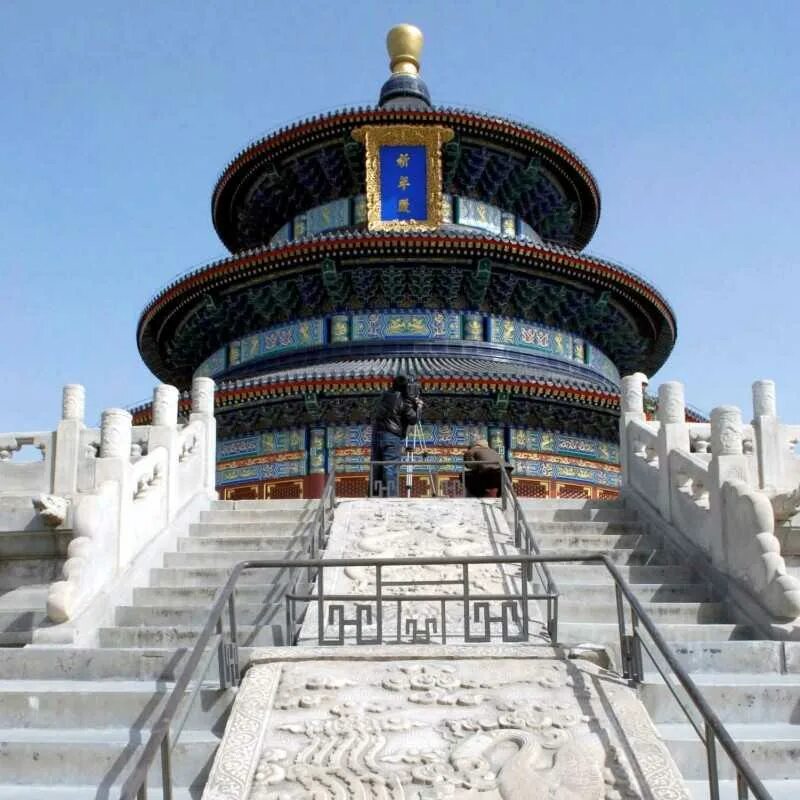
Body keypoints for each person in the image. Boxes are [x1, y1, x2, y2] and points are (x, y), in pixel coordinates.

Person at [372, 375, 422, 496]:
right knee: (390, 468)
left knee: (377, 466)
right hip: (392, 436)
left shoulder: (383, 395)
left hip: (377, 434)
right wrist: (419, 407)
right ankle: (391, 497)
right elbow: (413, 419)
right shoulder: (404, 400)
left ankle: (376, 495)